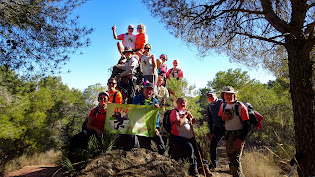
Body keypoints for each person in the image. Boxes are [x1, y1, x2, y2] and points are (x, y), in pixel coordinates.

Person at [169, 97, 212, 177]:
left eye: (184, 102)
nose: (183, 104)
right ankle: (193, 169)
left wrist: (192, 118)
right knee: (190, 148)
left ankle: (204, 167)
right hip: (179, 137)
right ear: (177, 103)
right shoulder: (174, 112)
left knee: (198, 149)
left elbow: (192, 122)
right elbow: (179, 123)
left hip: (190, 136)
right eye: (181, 102)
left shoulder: (186, 111)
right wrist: (185, 115)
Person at [218, 86, 250, 177]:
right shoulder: (223, 106)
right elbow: (220, 120)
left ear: (234, 95)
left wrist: (240, 139)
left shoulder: (240, 106)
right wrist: (223, 118)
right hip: (228, 134)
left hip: (238, 134)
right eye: (226, 94)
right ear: (223, 95)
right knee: (230, 156)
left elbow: (247, 125)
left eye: (230, 94)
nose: (228, 96)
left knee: (235, 158)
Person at [132, 82, 166, 155]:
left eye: (151, 89)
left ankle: (162, 159)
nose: (149, 91)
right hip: (139, 125)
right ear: (143, 89)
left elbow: (156, 117)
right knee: (134, 140)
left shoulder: (155, 101)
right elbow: (135, 110)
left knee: (161, 144)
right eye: (147, 88)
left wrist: (155, 127)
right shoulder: (137, 98)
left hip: (150, 127)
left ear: (153, 91)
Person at [205, 91, 225, 169]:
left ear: (215, 95)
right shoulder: (209, 107)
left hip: (227, 127)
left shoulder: (222, 102)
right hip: (217, 128)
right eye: (208, 97)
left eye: (211, 96)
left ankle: (232, 165)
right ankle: (213, 164)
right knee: (213, 145)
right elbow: (209, 120)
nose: (210, 98)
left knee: (230, 146)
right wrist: (211, 132)